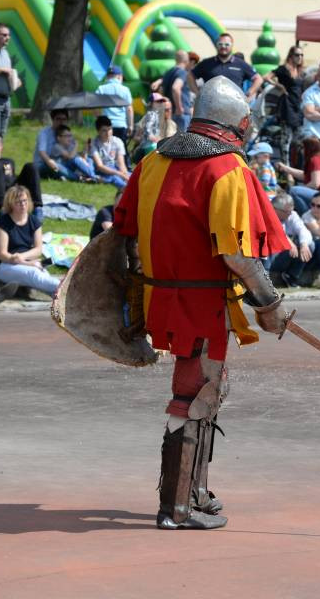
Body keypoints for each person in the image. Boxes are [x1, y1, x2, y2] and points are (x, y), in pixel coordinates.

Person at [111, 75, 291, 530]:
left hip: (160, 298)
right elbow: (236, 254)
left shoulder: (152, 160)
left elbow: (125, 237)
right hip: (202, 304)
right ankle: (176, 508)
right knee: (194, 394)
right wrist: (269, 305)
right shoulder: (229, 169)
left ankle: (194, 490)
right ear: (239, 123)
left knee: (209, 388)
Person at [0, 185, 60, 298]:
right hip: (6, 265)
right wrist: (21, 261)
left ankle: (67, 300)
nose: (23, 204)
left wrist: (22, 257)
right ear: (11, 204)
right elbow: (2, 254)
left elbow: (38, 250)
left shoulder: (34, 221)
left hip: (28, 262)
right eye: (18, 202)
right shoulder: (3, 224)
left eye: (25, 200)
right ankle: (72, 289)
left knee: (43, 278)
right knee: (34, 274)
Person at [267, 191, 320, 288]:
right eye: (287, 211)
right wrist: (290, 243)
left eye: (291, 211)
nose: (290, 213)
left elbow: (303, 230)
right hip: (272, 259)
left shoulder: (292, 215)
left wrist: (303, 244)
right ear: (275, 209)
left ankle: (291, 276)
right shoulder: (268, 215)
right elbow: (277, 232)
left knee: (310, 245)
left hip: (287, 255)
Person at [280, 136, 320, 214]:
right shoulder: (319, 158)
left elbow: (315, 184)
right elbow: (304, 176)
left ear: (309, 148)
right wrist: (285, 168)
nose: (301, 150)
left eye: (303, 147)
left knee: (294, 191)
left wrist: (300, 188)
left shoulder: (315, 160)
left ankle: (307, 216)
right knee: (296, 190)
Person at [191, 32, 262, 100]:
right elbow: (190, 75)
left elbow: (258, 79)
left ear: (232, 45)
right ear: (216, 45)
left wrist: (249, 93)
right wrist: (197, 93)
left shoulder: (241, 64)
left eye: (227, 44)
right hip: (210, 107)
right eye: (220, 44)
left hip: (235, 106)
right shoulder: (206, 63)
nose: (223, 47)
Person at [270, 45, 306, 146]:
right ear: (291, 56)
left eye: (302, 55)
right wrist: (279, 86)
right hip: (287, 104)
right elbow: (267, 77)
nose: (300, 57)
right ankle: (284, 161)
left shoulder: (301, 71)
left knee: (298, 139)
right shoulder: (283, 69)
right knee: (286, 138)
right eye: (297, 55)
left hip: (298, 105)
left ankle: (295, 160)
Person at [151, 50, 193, 133]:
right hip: (181, 113)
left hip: (170, 112)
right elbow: (176, 88)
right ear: (186, 61)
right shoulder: (182, 72)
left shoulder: (169, 72)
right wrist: (179, 107)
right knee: (183, 141)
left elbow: (161, 90)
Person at [131, 94, 178, 163]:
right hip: (149, 150)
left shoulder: (172, 124)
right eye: (166, 109)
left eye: (170, 109)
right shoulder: (148, 118)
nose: (169, 111)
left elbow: (171, 141)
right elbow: (137, 137)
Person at [95, 64, 134, 143]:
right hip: (121, 125)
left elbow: (94, 107)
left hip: (106, 126)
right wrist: (130, 126)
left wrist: (99, 119)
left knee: (107, 149)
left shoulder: (101, 89)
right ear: (119, 76)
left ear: (107, 76)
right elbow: (129, 109)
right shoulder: (125, 90)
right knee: (121, 150)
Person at [89, 116, 129, 189]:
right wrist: (119, 174)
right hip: (102, 171)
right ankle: (127, 190)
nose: (108, 133)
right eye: (104, 130)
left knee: (131, 176)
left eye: (110, 129)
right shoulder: (94, 144)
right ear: (98, 131)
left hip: (115, 168)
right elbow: (100, 166)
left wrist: (125, 174)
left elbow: (121, 164)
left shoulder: (117, 141)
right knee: (115, 178)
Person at [33, 108, 71, 177]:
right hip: (43, 164)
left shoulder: (67, 133)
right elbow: (42, 152)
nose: (61, 122)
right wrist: (49, 162)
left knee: (77, 160)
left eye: (64, 119)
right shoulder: (44, 133)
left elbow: (70, 154)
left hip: (59, 162)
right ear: (52, 119)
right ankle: (79, 178)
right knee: (54, 165)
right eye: (58, 119)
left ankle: (62, 175)